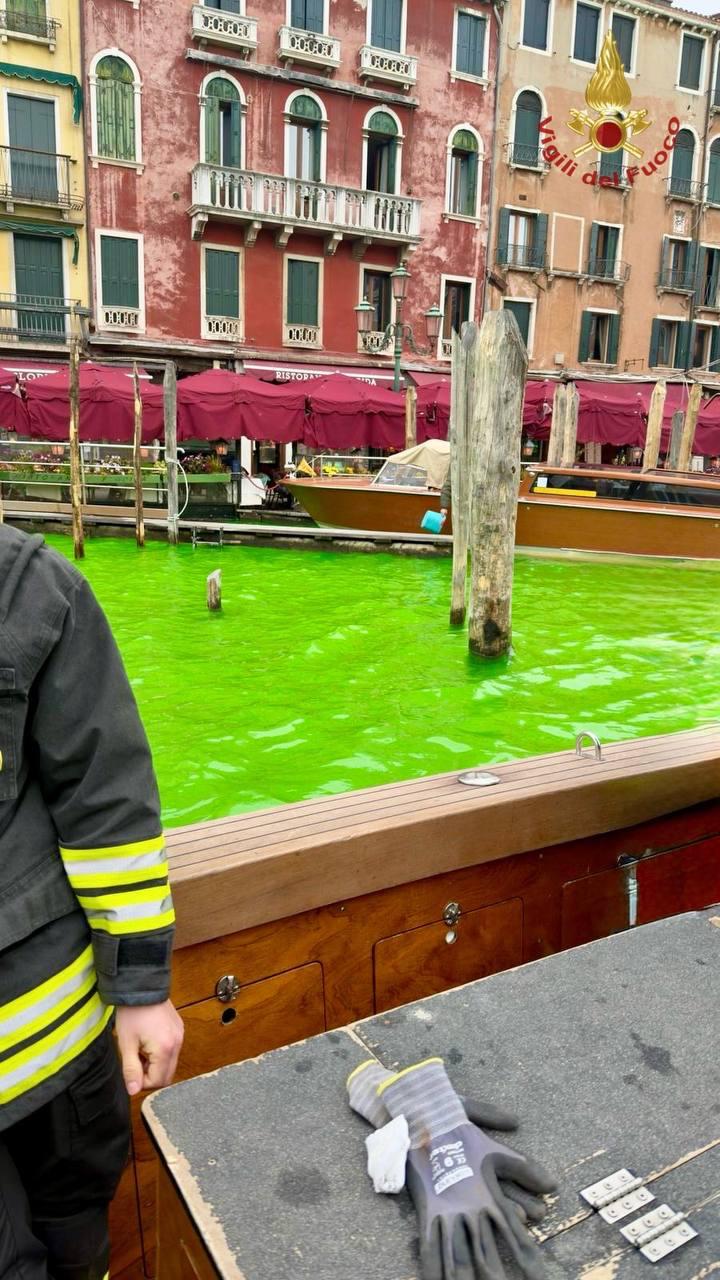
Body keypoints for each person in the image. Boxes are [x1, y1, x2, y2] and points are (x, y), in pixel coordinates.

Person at [0, 524, 184, 1279]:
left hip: (59, 1045)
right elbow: (107, 803)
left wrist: (140, 991)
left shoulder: (32, 585)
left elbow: (105, 804)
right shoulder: (26, 581)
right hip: (57, 1035)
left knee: (77, 1235)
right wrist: (142, 992)